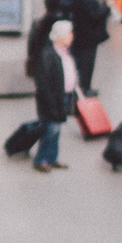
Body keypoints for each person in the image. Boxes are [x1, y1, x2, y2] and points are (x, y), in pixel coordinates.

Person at [27, 20, 78, 173]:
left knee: (56, 129)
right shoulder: (48, 55)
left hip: (63, 97)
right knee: (50, 129)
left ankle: (52, 158)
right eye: (69, 33)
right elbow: (43, 83)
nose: (71, 36)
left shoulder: (63, 52)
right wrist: (50, 103)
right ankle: (42, 159)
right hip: (52, 100)